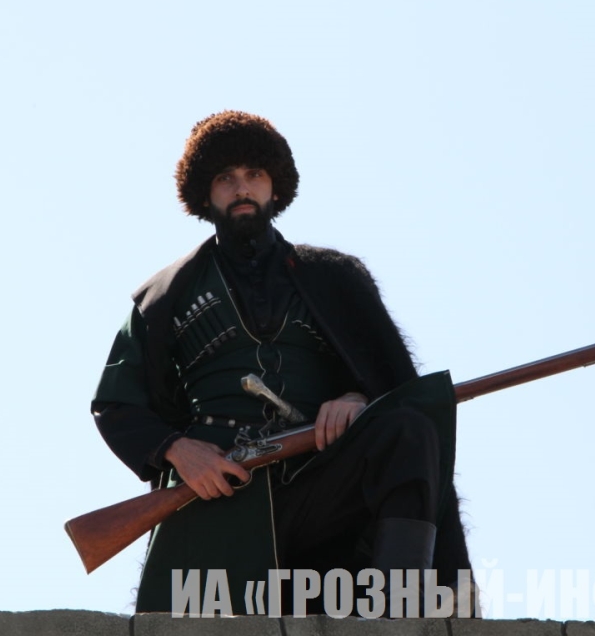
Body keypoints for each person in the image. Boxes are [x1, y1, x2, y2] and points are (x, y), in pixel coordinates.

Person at [91, 110, 474, 616]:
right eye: (225, 178)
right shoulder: (162, 297)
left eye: (254, 174)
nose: (241, 188)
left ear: (275, 186)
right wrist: (179, 451)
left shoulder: (335, 277)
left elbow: (390, 383)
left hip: (319, 483)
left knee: (408, 429)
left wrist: (358, 398)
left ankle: (397, 616)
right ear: (205, 194)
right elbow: (116, 404)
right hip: (220, 490)